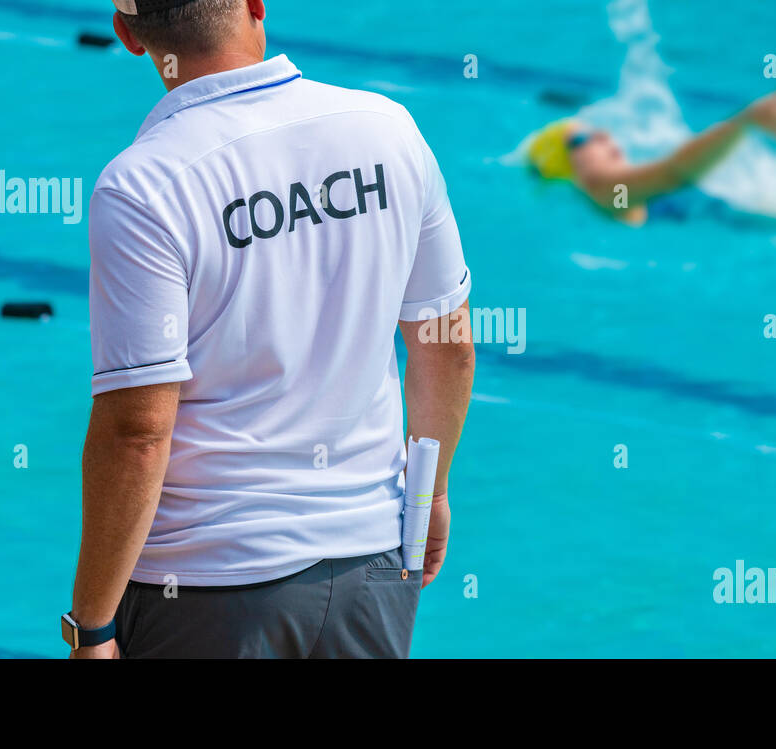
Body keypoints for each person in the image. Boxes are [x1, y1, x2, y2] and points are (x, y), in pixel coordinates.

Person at [63, 0, 475, 659]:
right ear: (256, 3)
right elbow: (446, 345)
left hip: (206, 590)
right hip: (370, 566)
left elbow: (139, 432)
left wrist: (92, 626)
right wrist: (431, 493)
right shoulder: (387, 129)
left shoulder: (143, 186)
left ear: (129, 35)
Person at [527, 83, 776, 226]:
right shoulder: (605, 191)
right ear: (568, 170)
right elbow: (674, 172)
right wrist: (744, 122)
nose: (604, 136)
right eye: (581, 141)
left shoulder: (616, 197)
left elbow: (674, 173)